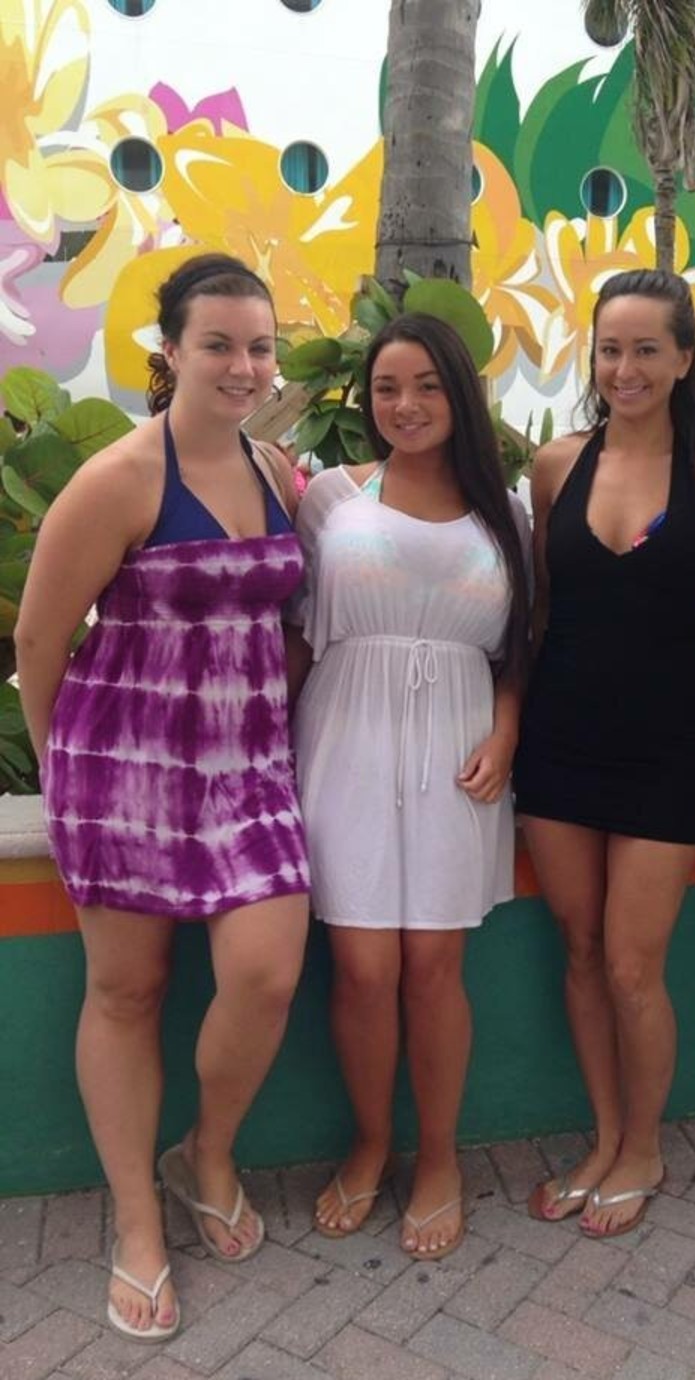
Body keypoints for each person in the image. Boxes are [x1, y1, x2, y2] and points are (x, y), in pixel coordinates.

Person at [14, 254, 311, 1341]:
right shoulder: (123, 478)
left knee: (266, 973)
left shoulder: (276, 470)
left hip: (247, 773)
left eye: (260, 347)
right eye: (219, 344)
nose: (244, 366)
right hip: (124, 772)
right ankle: (137, 1220)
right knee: (126, 992)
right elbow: (40, 637)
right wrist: (67, 776)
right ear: (171, 352)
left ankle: (206, 1155)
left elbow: (292, 622)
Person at [513, 269, 695, 1238]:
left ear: (684, 358)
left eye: (647, 349)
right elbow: (538, 610)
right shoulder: (556, 467)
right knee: (579, 952)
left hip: (662, 748)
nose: (626, 368)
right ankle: (605, 1138)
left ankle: (645, 1147)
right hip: (558, 744)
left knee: (629, 967)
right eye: (610, 349)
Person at [288, 313, 531, 1262]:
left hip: (458, 754)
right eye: (388, 387)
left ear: (460, 395)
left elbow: (520, 651)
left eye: (428, 385)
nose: (407, 404)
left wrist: (506, 732)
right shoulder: (333, 498)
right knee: (362, 968)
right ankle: (369, 1144)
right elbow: (296, 637)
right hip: (343, 743)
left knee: (433, 966)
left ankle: (438, 1158)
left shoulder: (506, 514)